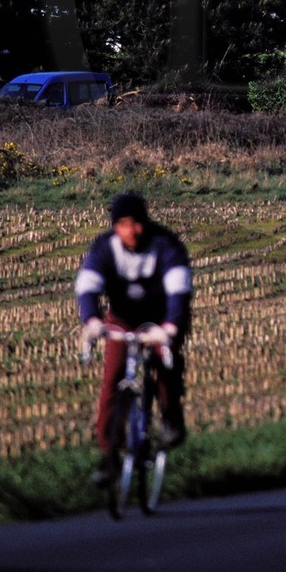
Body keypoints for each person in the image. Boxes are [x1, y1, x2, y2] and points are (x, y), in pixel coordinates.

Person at [75, 191, 193, 484]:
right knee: (113, 379)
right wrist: (92, 321)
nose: (132, 230)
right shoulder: (106, 248)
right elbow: (88, 285)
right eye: (124, 224)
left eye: (137, 223)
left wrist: (170, 329)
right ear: (116, 226)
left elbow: (179, 292)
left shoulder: (165, 245)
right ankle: (109, 455)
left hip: (162, 317)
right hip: (123, 319)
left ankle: (171, 420)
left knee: (165, 367)